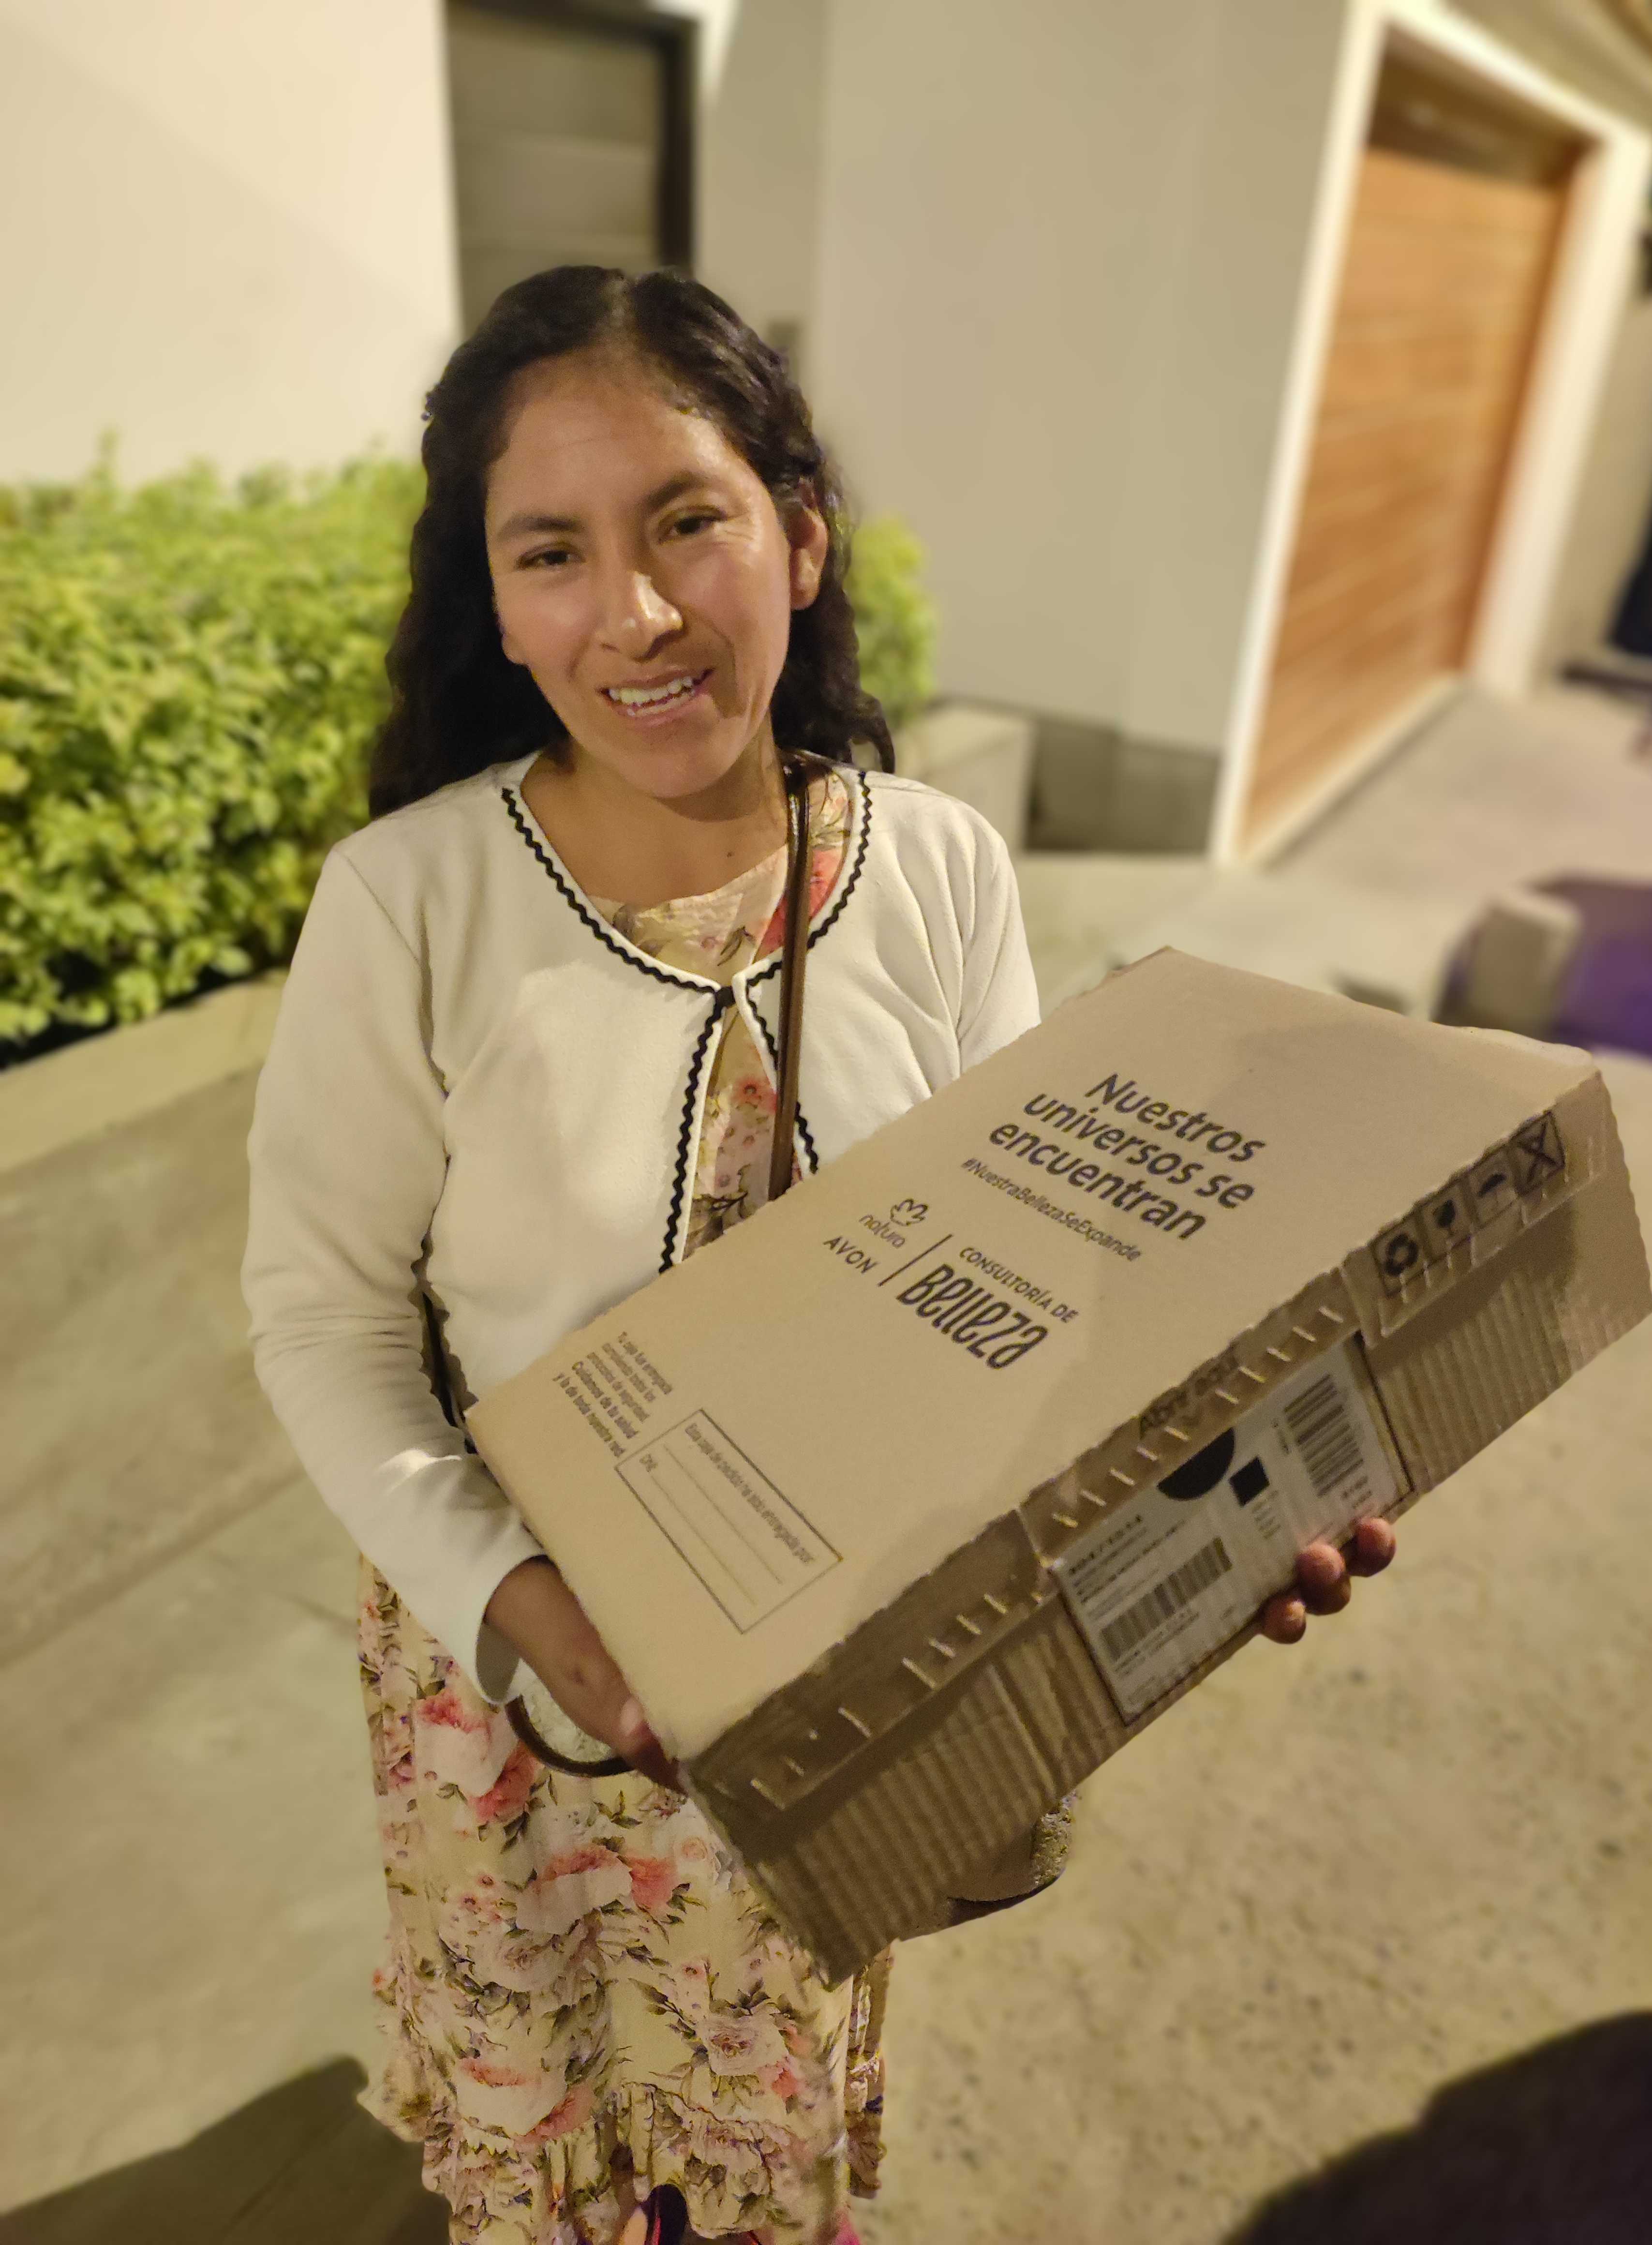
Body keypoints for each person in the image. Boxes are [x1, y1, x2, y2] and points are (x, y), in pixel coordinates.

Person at [242, 266, 1396, 2245]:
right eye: (551, 550)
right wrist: (526, 1604)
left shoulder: (933, 868)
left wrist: (1220, 1507)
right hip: (532, 1694)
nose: (634, 612)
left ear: (798, 533)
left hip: (849, 1679)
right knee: (568, 2144)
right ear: (494, 603)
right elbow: (322, 1322)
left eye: (685, 519)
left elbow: (1047, 1284)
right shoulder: (408, 905)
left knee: (753, 2131)